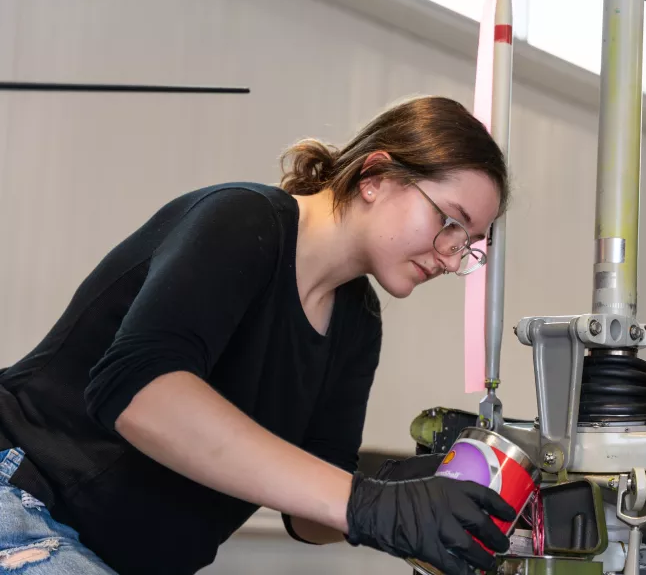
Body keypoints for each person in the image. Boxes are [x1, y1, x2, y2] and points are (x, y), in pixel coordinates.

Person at [0, 95, 518, 575]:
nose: (452, 258)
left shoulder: (358, 320)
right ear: (375, 176)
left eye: (469, 245)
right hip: (26, 497)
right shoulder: (244, 219)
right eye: (451, 221)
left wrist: (403, 489)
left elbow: (311, 518)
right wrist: (365, 501)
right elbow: (139, 394)